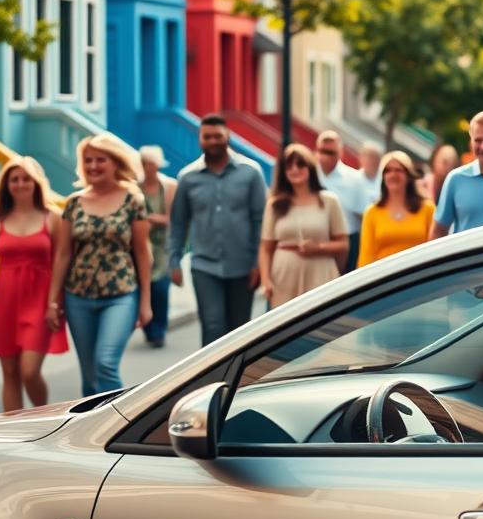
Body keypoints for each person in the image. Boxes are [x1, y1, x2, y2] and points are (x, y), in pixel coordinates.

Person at [48, 134, 152, 397]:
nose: (93, 166)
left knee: (105, 363)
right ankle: (92, 430)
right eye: (88, 160)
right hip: (78, 297)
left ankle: (123, 421)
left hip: (121, 295)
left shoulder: (133, 200)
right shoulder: (74, 203)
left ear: (115, 162)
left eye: (100, 160)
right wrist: (53, 300)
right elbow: (62, 254)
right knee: (90, 375)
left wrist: (145, 302)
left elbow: (142, 252)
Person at [0, 156, 66, 412]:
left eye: (26, 179)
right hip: (5, 299)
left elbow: (60, 262)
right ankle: (14, 432)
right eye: (14, 179)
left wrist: (54, 303)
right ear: (6, 184)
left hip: (40, 299)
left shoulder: (53, 217)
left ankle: (43, 416)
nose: (20, 184)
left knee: (29, 371)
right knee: (10, 373)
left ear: (36, 183)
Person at [169, 115, 265, 347]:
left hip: (242, 265)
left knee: (240, 328)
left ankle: (239, 381)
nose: (212, 141)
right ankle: (212, 380)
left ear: (227, 137)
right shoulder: (187, 177)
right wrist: (174, 260)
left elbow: (260, 221)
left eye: (217, 136)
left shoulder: (251, 173)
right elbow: (179, 222)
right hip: (204, 265)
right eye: (207, 137)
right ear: (200, 139)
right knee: (212, 325)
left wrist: (258, 263)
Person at [259, 145, 348, 306]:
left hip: (321, 273)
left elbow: (343, 244)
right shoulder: (275, 204)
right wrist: (266, 281)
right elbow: (266, 248)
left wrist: (319, 247)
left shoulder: (329, 201)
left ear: (310, 167)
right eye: (289, 166)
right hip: (284, 277)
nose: (295, 169)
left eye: (300, 165)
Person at [358, 151, 436, 266]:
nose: (393, 175)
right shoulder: (371, 212)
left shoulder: (427, 208)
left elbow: (434, 250)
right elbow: (366, 258)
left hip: (420, 277)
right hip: (385, 280)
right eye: (388, 171)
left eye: (398, 170)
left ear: (409, 176)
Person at [139, 146, 178, 349]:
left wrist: (154, 219)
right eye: (144, 164)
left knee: (161, 288)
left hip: (162, 245)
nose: (148, 168)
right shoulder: (135, 188)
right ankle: (148, 327)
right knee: (145, 287)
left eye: (152, 164)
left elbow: (175, 219)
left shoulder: (169, 187)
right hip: (141, 243)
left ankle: (159, 330)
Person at [315, 131, 370, 273]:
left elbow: (364, 217)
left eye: (330, 152)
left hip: (349, 242)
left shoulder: (355, 179)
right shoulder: (309, 176)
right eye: (321, 151)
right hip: (315, 243)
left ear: (340, 153)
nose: (324, 157)